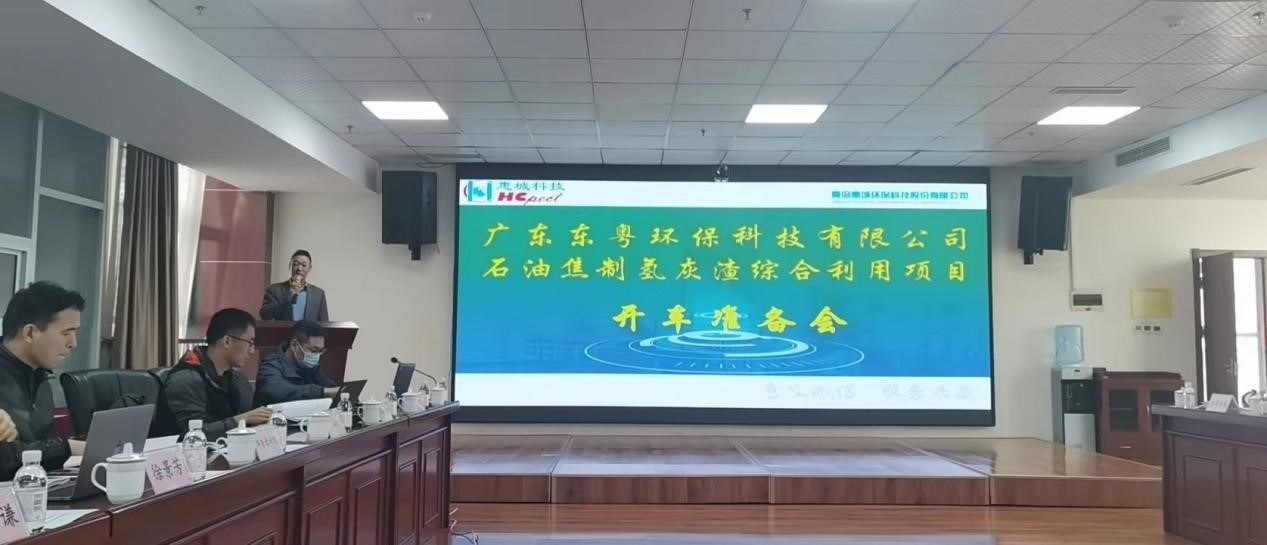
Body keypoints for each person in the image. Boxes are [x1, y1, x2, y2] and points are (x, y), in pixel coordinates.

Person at [0, 282, 87, 480]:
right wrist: (67, 448)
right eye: (66, 333)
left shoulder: (42, 378)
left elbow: (42, 448)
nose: (73, 343)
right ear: (30, 333)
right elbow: (6, 461)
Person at [157, 308, 271, 439]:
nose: (252, 351)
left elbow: (250, 416)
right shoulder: (186, 379)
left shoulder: (237, 378)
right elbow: (191, 435)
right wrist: (238, 421)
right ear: (227, 341)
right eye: (250, 343)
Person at [254, 320, 338, 406]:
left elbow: (330, 387)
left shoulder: (310, 367)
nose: (316, 356)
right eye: (313, 350)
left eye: (320, 351)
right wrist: (321, 392)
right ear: (294, 345)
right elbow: (278, 391)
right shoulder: (270, 366)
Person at [260, 250, 329, 322]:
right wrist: (288, 297)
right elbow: (264, 315)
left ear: (310, 268)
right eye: (296, 264)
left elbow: (324, 324)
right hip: (283, 329)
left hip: (308, 330)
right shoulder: (274, 289)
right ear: (290, 266)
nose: (299, 268)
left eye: (304, 265)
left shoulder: (318, 294)